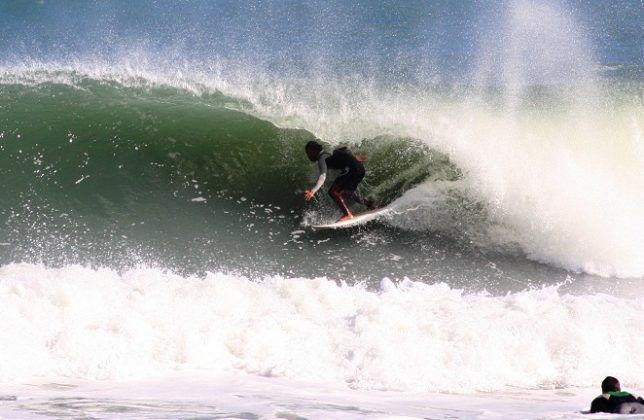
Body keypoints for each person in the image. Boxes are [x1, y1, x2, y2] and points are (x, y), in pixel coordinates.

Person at [304, 140, 375, 221]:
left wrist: (312, 191)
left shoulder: (322, 158)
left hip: (352, 170)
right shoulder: (329, 152)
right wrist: (357, 159)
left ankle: (347, 214)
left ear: (315, 151)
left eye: (309, 153)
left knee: (332, 191)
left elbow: (323, 176)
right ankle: (370, 204)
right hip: (360, 169)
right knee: (346, 193)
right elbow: (346, 153)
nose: (308, 156)